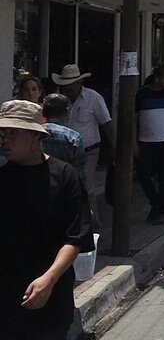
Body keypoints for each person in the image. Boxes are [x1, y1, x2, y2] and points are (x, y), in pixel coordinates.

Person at [0, 100, 95, 340]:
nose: (5, 140)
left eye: (13, 133)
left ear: (34, 136)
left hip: (51, 296)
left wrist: (49, 279)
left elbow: (75, 238)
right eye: (2, 134)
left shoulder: (64, 176)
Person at [54, 63, 113, 226]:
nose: (67, 88)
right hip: (64, 150)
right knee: (64, 187)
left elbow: (106, 124)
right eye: (64, 84)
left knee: (87, 188)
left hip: (88, 151)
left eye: (70, 84)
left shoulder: (94, 98)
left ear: (79, 83)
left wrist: (114, 149)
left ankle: (93, 225)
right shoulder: (59, 101)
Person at [135, 66, 164, 225]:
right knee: (143, 175)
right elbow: (134, 119)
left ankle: (161, 210)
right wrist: (134, 142)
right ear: (157, 79)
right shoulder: (142, 94)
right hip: (145, 141)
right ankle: (156, 203)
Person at [41, 94, 87, 185]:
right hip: (66, 188)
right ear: (66, 112)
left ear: (44, 112)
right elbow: (80, 175)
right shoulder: (73, 137)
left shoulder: (35, 134)